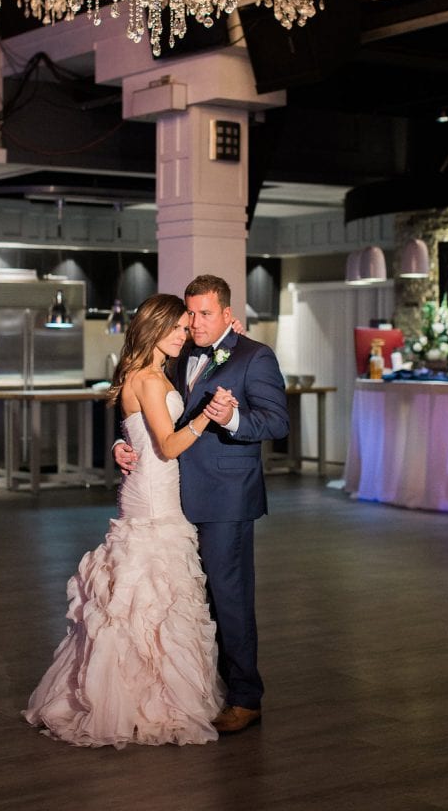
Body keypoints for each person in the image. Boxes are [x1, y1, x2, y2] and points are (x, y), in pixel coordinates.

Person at [23, 293, 235, 748]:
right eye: (178, 328)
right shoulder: (151, 380)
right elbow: (169, 445)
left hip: (149, 490)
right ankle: (143, 701)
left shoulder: (149, 375)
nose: (185, 334)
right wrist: (206, 418)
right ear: (156, 329)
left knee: (148, 600)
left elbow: (137, 437)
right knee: (151, 598)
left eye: (186, 327)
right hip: (156, 500)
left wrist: (121, 449)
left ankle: (148, 693)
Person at [114, 274, 289, 734]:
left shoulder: (256, 356)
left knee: (230, 596)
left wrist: (230, 416)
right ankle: (203, 684)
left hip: (227, 497)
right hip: (174, 496)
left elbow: (276, 421)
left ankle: (247, 697)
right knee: (196, 599)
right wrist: (122, 443)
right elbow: (152, 415)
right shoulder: (181, 352)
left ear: (227, 313)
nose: (194, 323)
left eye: (204, 313)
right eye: (190, 314)